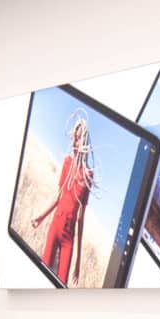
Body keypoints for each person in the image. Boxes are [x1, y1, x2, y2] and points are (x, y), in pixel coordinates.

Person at [32, 112, 95, 284]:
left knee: (61, 283)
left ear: (84, 141)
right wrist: (41, 217)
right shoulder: (67, 162)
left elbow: (81, 218)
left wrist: (78, 261)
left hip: (69, 238)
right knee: (43, 272)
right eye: (74, 137)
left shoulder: (88, 175)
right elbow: (58, 197)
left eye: (78, 138)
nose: (74, 142)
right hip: (55, 226)